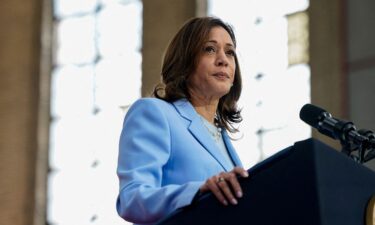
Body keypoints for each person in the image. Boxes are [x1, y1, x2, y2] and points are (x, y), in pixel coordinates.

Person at [116, 16, 249, 225]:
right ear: (185, 61)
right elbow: (132, 199)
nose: (223, 59)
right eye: (210, 49)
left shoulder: (222, 138)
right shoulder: (154, 113)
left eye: (230, 52)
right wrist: (197, 192)